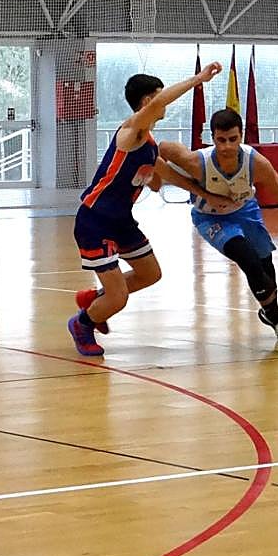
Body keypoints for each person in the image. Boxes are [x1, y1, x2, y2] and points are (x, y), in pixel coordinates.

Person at [68, 62, 223, 357]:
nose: (164, 102)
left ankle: (95, 300)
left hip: (121, 220)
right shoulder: (131, 132)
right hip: (95, 219)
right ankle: (83, 323)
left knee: (150, 274)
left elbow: (166, 174)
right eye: (159, 96)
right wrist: (199, 79)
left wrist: (204, 194)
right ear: (148, 101)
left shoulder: (148, 143)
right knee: (119, 298)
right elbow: (163, 102)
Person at [159, 108, 278, 349]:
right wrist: (200, 192)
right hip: (210, 218)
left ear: (241, 136)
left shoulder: (256, 163)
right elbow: (161, 149)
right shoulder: (197, 162)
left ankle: (269, 311)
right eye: (220, 140)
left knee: (265, 264)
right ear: (212, 138)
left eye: (232, 139)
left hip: (245, 211)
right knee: (248, 260)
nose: (226, 146)